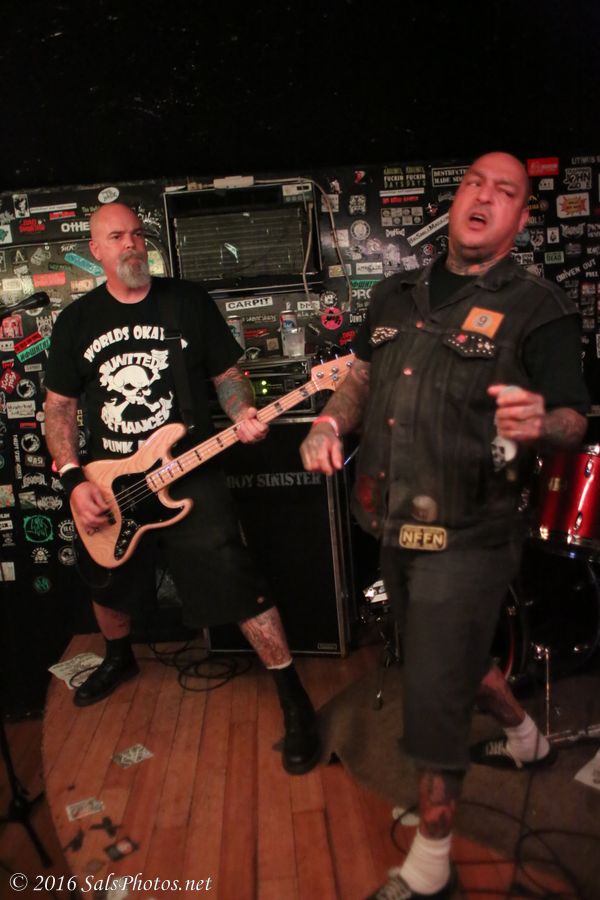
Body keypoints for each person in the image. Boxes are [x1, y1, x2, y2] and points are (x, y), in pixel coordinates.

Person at [300, 152, 589, 898]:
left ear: (521, 218)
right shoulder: (393, 295)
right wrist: (327, 424)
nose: (484, 197)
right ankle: (525, 736)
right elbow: (362, 377)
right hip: (393, 522)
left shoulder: (539, 307)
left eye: (505, 191)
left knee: (432, 687)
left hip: (473, 532)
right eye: (474, 183)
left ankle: (429, 866)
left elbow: (573, 418)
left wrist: (541, 420)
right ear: (455, 200)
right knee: (448, 657)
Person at [44, 202, 320, 776]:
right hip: (109, 481)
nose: (131, 244)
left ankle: (292, 693)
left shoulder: (187, 302)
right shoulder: (75, 321)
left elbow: (228, 375)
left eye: (136, 234)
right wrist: (72, 480)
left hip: (188, 471)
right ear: (95, 250)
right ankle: (118, 656)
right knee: (103, 574)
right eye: (116, 237)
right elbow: (60, 408)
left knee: (231, 570)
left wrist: (241, 412)